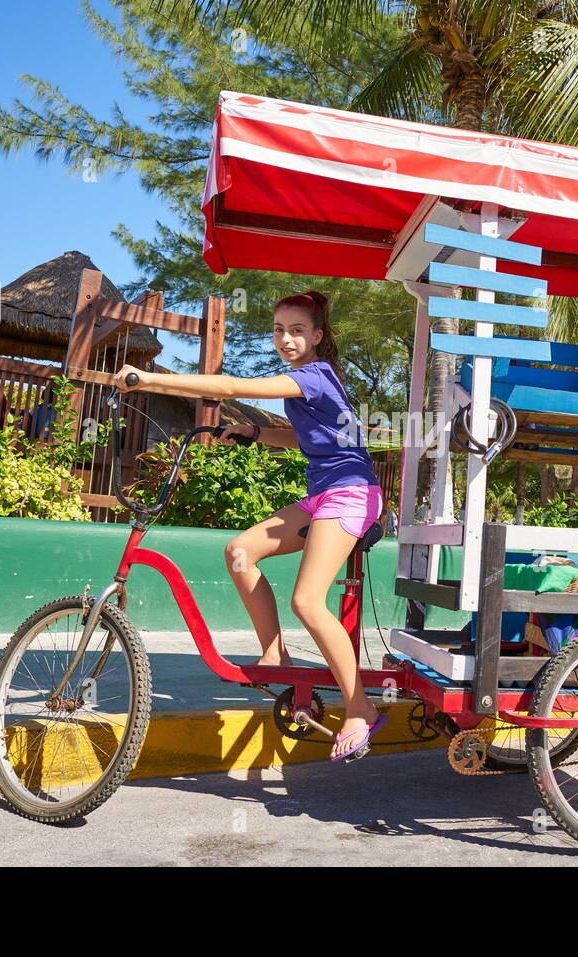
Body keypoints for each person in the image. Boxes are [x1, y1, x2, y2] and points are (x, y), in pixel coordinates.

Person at [114, 290, 387, 762]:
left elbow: (233, 387)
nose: (286, 338)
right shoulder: (310, 384)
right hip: (323, 493)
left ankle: (359, 707)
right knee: (240, 552)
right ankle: (275, 655)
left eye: (297, 330)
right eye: (279, 329)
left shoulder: (316, 375)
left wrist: (149, 380)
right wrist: (258, 433)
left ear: (317, 337)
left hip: (352, 493)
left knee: (306, 600)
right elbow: (311, 441)